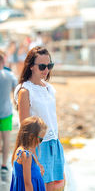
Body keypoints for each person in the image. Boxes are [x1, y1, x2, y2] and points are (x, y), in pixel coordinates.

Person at [14, 46, 66, 191]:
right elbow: (24, 126)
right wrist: (32, 155)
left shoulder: (49, 88)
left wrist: (58, 145)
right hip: (37, 146)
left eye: (49, 66)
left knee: (57, 187)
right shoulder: (25, 90)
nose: (46, 70)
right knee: (39, 187)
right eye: (42, 66)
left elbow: (52, 118)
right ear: (31, 66)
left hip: (54, 143)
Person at [10, 116, 47, 191]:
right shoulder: (26, 155)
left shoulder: (20, 150)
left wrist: (38, 172)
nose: (40, 143)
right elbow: (27, 183)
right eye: (41, 139)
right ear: (31, 137)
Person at [0, 50, 17, 178]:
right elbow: (16, 93)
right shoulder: (10, 75)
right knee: (6, 140)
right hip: (6, 113)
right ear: (3, 61)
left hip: (6, 112)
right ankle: (4, 165)